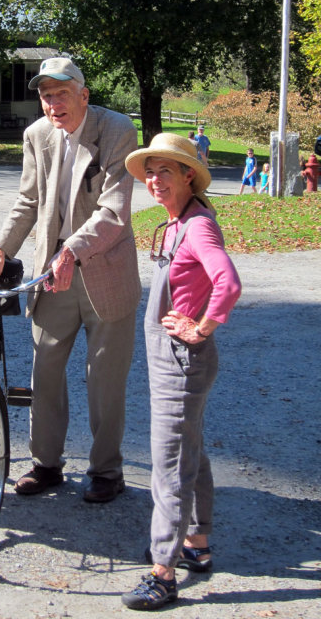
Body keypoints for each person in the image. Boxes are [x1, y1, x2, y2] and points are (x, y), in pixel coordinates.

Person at [0, 57, 140, 504]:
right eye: (46, 95)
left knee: (104, 379)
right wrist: (1, 248)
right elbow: (27, 200)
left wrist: (73, 249)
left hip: (105, 268)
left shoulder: (116, 130)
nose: (53, 103)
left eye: (61, 93)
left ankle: (107, 471)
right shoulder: (37, 135)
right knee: (44, 370)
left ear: (83, 95)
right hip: (54, 271)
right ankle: (45, 464)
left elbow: (115, 211)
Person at [121, 134, 241, 611]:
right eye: (150, 172)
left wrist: (201, 327)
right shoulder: (175, 223)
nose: (154, 181)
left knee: (168, 462)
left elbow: (228, 282)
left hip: (181, 361)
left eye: (164, 171)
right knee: (189, 448)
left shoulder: (198, 228)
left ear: (188, 175)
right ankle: (197, 543)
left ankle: (163, 571)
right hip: (169, 359)